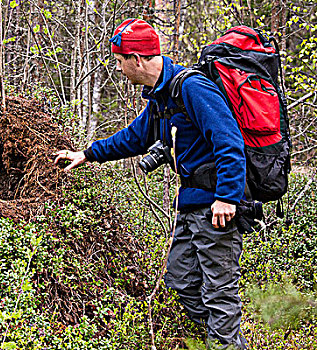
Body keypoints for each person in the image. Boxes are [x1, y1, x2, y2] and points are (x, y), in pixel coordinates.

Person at [54, 18, 248, 349]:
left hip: (215, 207)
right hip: (191, 205)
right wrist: (87, 154)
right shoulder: (162, 95)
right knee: (180, 280)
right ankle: (220, 340)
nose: (119, 69)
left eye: (119, 62)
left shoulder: (192, 88)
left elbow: (230, 142)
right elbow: (135, 137)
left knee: (219, 291)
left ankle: (227, 343)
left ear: (138, 60)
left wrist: (227, 197)